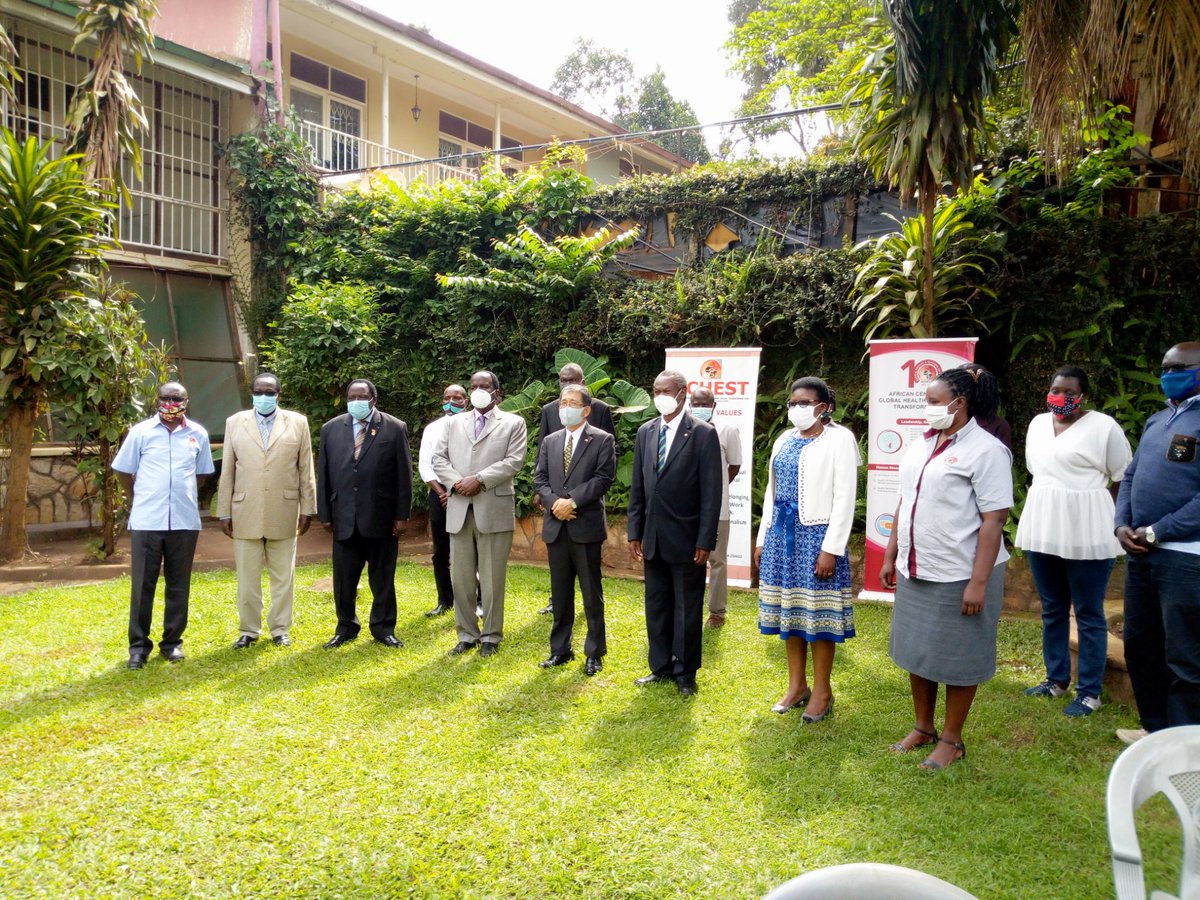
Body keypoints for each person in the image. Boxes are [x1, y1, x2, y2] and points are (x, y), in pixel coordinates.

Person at [881, 364, 1013, 770]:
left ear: (962, 402)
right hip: (916, 566)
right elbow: (906, 502)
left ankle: (952, 739)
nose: (928, 409)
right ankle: (923, 727)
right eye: (927, 402)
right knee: (917, 652)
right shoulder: (921, 444)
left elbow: (994, 520)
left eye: (934, 403)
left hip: (960, 572)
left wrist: (979, 581)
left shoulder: (988, 450)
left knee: (959, 657)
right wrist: (890, 554)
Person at [1015, 366, 1131, 716]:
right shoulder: (1037, 424)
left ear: (1083, 396)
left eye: (1068, 392)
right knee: (1051, 607)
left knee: (1088, 612)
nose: (1060, 397)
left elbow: (1122, 477)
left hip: (1087, 528)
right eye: (1055, 389)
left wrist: (1104, 513)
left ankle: (1089, 693)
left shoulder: (1104, 427)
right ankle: (1056, 680)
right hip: (1043, 524)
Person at [755, 377, 858, 723]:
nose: (796, 408)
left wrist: (832, 549)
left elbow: (845, 497)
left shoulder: (840, 439)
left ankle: (823, 691)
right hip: (781, 536)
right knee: (790, 613)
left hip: (817, 539)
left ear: (824, 407)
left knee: (818, 618)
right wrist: (761, 538)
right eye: (792, 402)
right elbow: (771, 491)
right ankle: (797, 686)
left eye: (804, 402)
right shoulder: (784, 438)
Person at [1115, 341, 1200, 738]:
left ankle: (1184, 743)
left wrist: (1158, 531)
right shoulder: (1158, 419)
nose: (1168, 374)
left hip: (1185, 559)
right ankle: (1155, 733)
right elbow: (1131, 476)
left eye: (1179, 367)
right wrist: (1122, 525)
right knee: (1140, 646)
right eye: (1165, 367)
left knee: (1185, 656)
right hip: (1142, 556)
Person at [627, 370, 723, 696]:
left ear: (683, 393)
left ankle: (685, 672)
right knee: (657, 606)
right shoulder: (646, 431)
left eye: (666, 390)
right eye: (655, 390)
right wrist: (634, 532)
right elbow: (638, 488)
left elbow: (712, 494)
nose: (660, 396)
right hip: (652, 537)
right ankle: (660, 666)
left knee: (687, 608)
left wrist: (704, 540)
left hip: (686, 538)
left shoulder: (702, 433)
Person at [112, 381, 215, 669]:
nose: (171, 403)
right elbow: (123, 470)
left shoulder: (198, 434)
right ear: (157, 400)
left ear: (186, 400)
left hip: (184, 521)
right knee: (143, 584)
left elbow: (202, 475)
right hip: (148, 520)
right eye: (166, 398)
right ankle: (138, 647)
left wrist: (181, 495)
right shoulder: (141, 432)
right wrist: (138, 499)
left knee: (179, 585)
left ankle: (172, 643)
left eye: (177, 398)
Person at [216, 372, 318, 649]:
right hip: (244, 509)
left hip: (284, 509)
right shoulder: (235, 422)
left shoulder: (297, 423)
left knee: (283, 577)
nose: (264, 397)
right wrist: (224, 510)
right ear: (251, 393)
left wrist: (308, 508)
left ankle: (280, 629)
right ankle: (248, 630)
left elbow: (305, 468)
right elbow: (227, 470)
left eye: (269, 392)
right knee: (247, 578)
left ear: (278, 395)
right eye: (258, 392)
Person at [433, 370, 527, 657]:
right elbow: (438, 458)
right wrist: (457, 482)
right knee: (460, 578)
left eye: (484, 386)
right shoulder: (454, 423)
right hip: (459, 507)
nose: (478, 391)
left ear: (497, 392)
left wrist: (481, 479)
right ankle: (466, 634)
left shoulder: (514, 423)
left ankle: (491, 636)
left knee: (491, 577)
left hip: (493, 507)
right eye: (473, 386)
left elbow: (514, 461)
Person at [316, 379, 412, 649]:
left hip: (381, 516)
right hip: (343, 516)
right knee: (344, 579)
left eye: (362, 396)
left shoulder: (394, 427)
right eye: (351, 396)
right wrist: (324, 513)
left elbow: (404, 475)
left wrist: (401, 515)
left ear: (374, 399)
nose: (356, 400)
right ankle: (346, 626)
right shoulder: (331, 429)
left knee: (382, 578)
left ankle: (383, 628)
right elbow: (324, 473)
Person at [533, 383, 617, 675]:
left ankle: (594, 652)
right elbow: (540, 478)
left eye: (571, 403)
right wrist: (555, 502)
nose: (565, 407)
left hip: (585, 526)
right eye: (561, 402)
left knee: (591, 592)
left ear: (585, 410)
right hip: (557, 526)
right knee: (560, 590)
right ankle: (560, 650)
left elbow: (603, 478)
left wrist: (573, 502)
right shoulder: (551, 441)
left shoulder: (602, 440)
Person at [689, 387, 743, 628]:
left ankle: (717, 612)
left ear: (714, 405)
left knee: (717, 560)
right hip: (687, 510)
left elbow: (734, 465)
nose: (699, 406)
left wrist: (716, 489)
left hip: (717, 510)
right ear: (689, 404)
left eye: (704, 403)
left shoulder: (727, 430)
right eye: (695, 402)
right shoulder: (684, 429)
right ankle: (689, 607)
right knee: (689, 560)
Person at [418, 384, 468, 618]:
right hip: (440, 495)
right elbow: (425, 466)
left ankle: (475, 599)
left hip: (469, 494)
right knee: (441, 550)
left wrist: (457, 491)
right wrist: (442, 493)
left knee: (471, 548)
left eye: (457, 398)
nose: (451, 401)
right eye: (447, 397)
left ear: (465, 401)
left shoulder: (474, 425)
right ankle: (445, 599)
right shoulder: (432, 429)